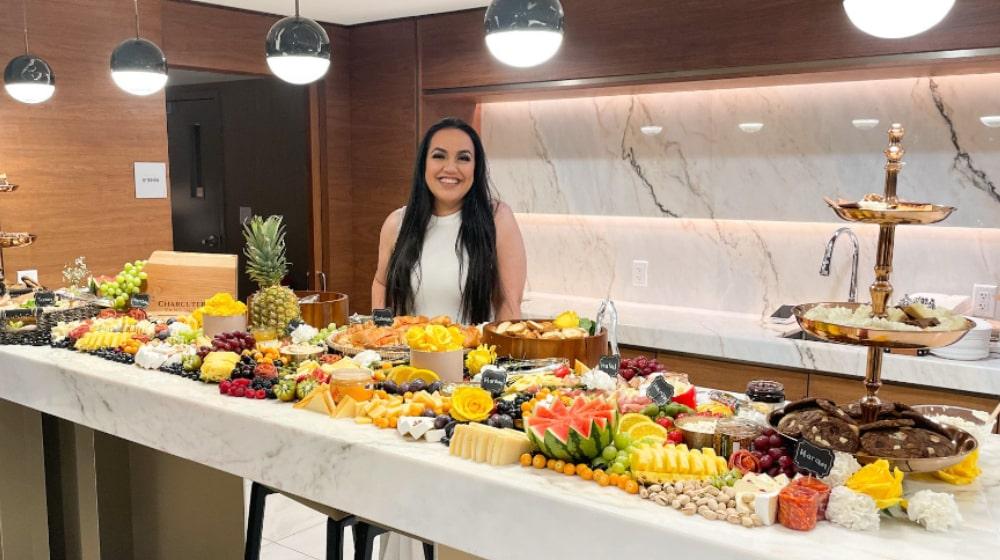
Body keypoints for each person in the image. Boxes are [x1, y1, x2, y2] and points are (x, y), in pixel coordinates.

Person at [372, 117, 526, 324]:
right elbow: (381, 283)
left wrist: (497, 354)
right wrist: (380, 336)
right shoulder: (397, 223)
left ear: (476, 168)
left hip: (474, 354)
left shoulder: (497, 218)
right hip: (409, 353)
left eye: (463, 158)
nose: (450, 168)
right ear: (423, 165)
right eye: (439, 156)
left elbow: (510, 303)